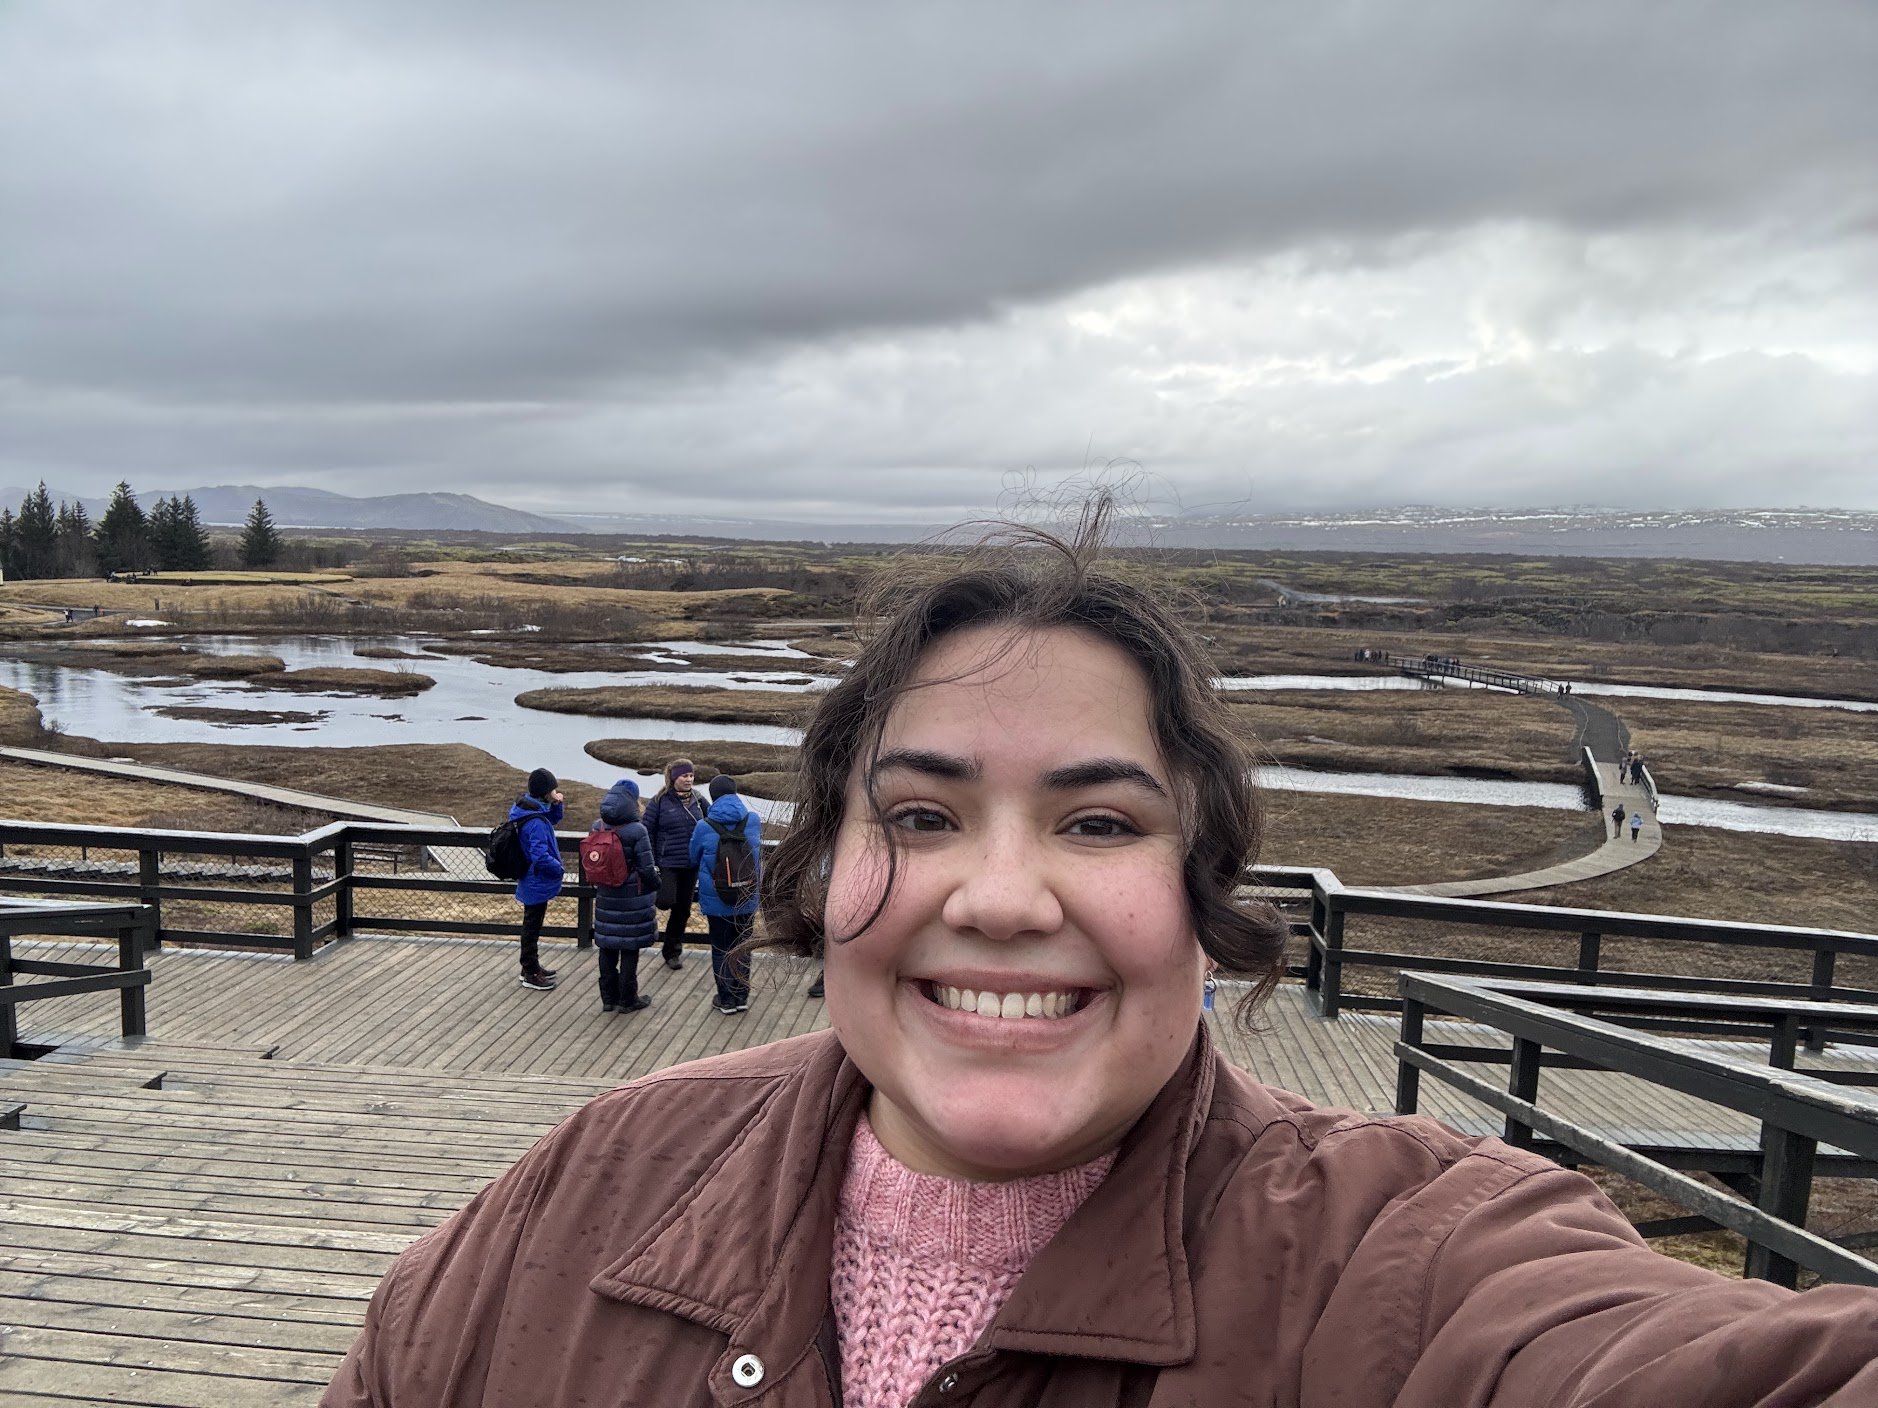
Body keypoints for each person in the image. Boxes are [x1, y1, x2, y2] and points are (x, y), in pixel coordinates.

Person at [325, 507, 1878, 1407]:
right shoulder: (594, 1184)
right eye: (921, 814)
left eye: (1097, 826)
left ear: (1202, 894)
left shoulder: (1403, 1264)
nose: (999, 897)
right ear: (823, 869)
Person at [690, 772, 762, 1015]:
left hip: (716, 900)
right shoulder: (752, 820)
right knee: (742, 946)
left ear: (713, 796)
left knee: (720, 947)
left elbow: (693, 857)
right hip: (747, 897)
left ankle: (726, 999)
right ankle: (742, 996)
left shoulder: (704, 825)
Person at [589, 779, 659, 1014]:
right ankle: (628, 1000)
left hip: (606, 895)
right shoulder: (637, 830)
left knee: (607, 947)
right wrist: (656, 886)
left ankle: (608, 999)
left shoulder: (597, 826)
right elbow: (647, 868)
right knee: (630, 949)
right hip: (633, 898)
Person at [643, 758, 708, 969]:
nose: (689, 779)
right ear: (674, 778)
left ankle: (671, 951)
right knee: (664, 900)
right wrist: (651, 860)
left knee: (683, 910)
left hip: (691, 864)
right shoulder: (659, 801)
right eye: (684, 776)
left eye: (691, 775)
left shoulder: (698, 799)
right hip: (667, 862)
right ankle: (647, 928)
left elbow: (713, 820)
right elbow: (647, 831)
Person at [510, 768, 564, 991]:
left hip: (532, 878)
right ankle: (530, 972)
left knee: (532, 924)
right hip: (536, 879)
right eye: (553, 789)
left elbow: (551, 819)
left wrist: (557, 804)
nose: (556, 792)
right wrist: (558, 869)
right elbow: (539, 855)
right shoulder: (535, 822)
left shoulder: (530, 811)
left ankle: (531, 966)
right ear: (544, 792)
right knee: (531, 926)